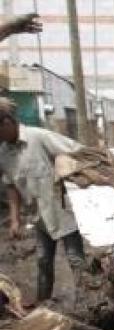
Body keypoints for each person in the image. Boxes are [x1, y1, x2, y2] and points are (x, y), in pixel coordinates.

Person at [1, 97, 85, 304]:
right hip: (39, 216)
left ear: (7, 122)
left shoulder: (38, 137)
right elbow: (11, 186)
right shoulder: (3, 153)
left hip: (63, 212)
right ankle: (42, 305)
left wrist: (66, 173)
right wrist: (15, 220)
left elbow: (78, 151)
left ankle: (87, 303)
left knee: (76, 260)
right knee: (43, 261)